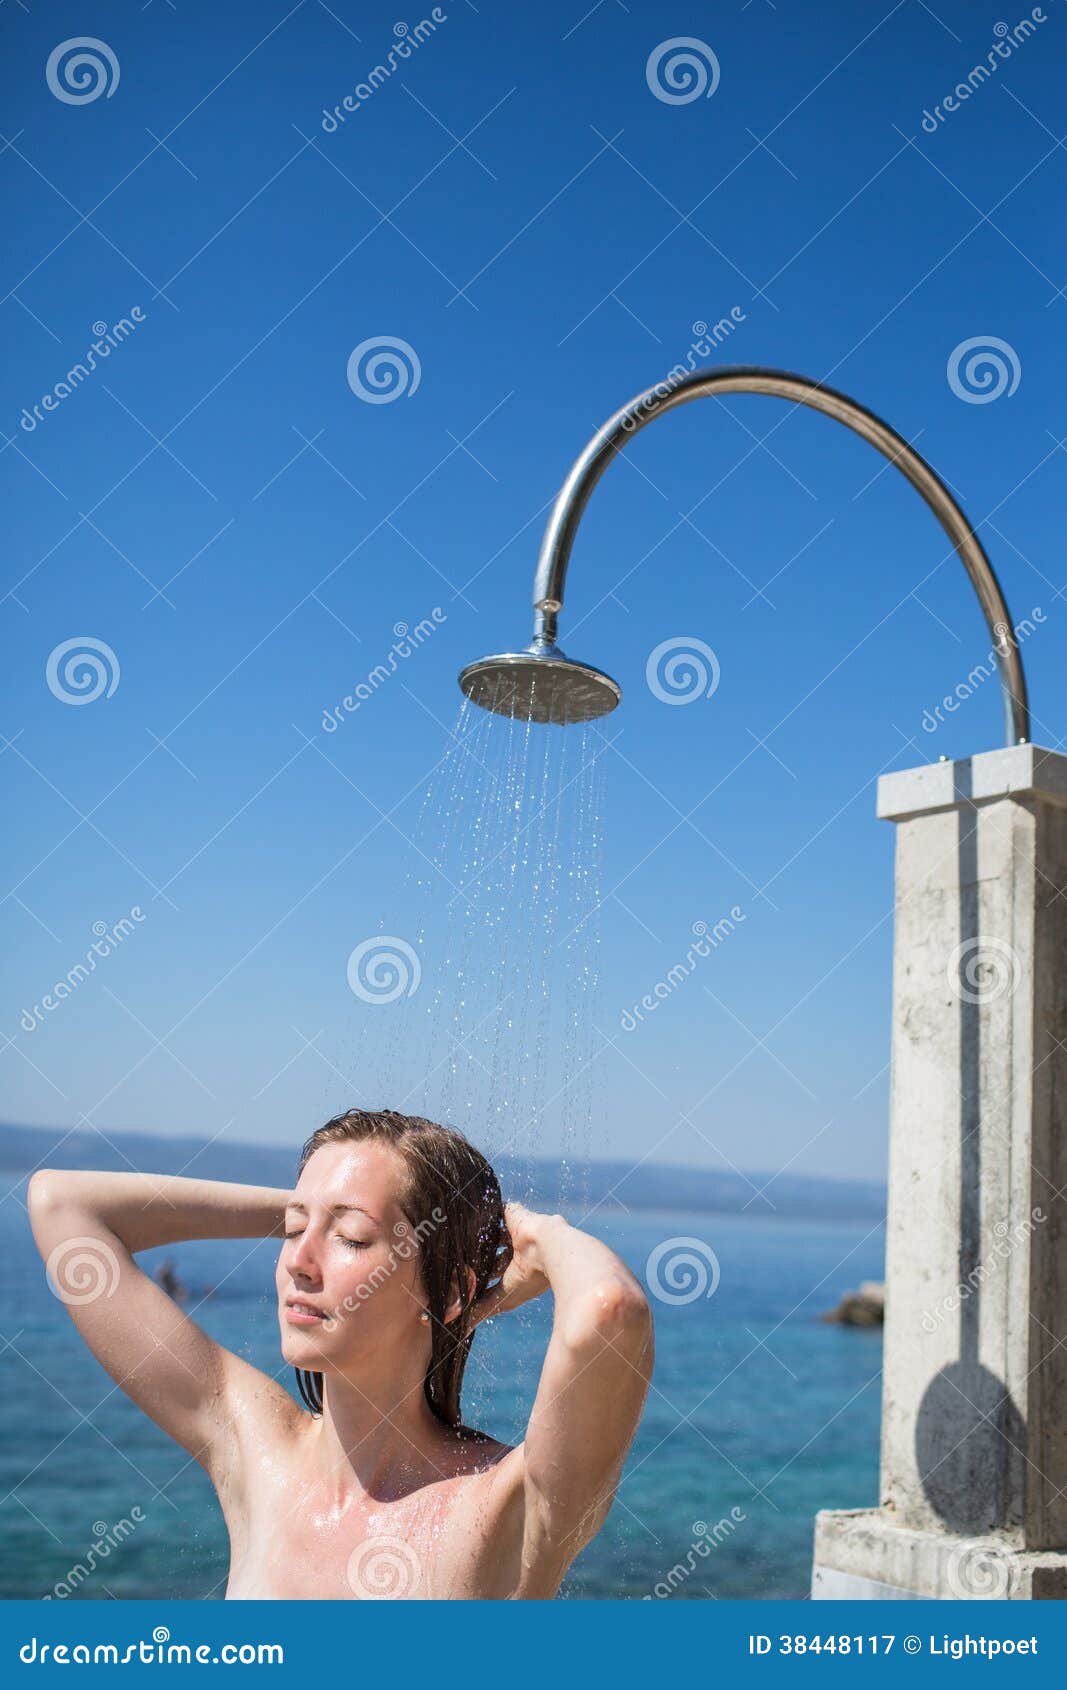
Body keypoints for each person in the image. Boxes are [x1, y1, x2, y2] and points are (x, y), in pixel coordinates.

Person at [28, 1107, 654, 1599]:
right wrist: (315, 1212)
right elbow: (62, 1205)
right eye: (294, 1232)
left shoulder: (507, 1506)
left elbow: (610, 1310)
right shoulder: (256, 1452)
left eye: (351, 1238)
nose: (299, 1262)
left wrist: (539, 1238)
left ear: (453, 1286)